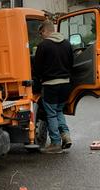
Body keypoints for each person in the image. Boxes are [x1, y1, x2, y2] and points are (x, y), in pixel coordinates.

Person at [34, 19, 73, 154]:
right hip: (66, 84)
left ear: (45, 30)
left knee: (51, 114)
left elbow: (37, 69)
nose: (41, 36)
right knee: (59, 111)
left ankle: (55, 143)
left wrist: (37, 82)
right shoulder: (67, 44)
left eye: (41, 33)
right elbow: (71, 63)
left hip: (50, 85)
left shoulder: (43, 46)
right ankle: (66, 136)